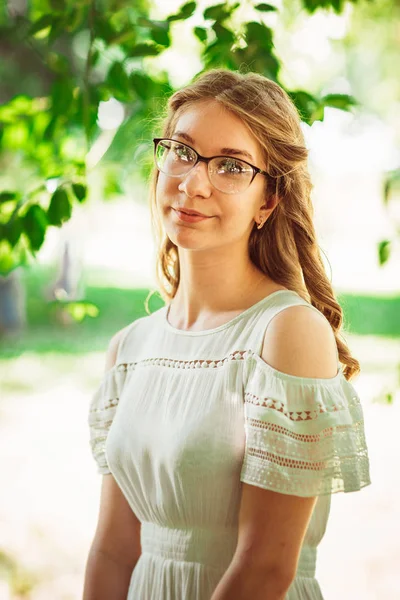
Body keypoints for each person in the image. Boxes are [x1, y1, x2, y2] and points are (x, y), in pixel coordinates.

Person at [83, 68, 371, 600]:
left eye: (232, 166)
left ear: (269, 201)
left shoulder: (287, 333)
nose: (193, 183)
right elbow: (113, 548)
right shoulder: (129, 348)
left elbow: (264, 567)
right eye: (183, 152)